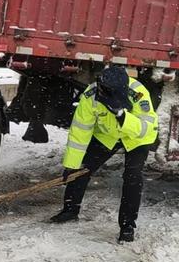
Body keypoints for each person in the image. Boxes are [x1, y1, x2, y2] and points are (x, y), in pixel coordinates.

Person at [50, 66, 158, 243]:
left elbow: (144, 127)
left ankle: (127, 226)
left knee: (132, 177)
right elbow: (80, 132)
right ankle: (70, 210)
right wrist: (71, 165)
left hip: (137, 137)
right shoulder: (90, 96)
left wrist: (122, 116)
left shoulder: (138, 93)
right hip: (107, 135)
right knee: (82, 169)